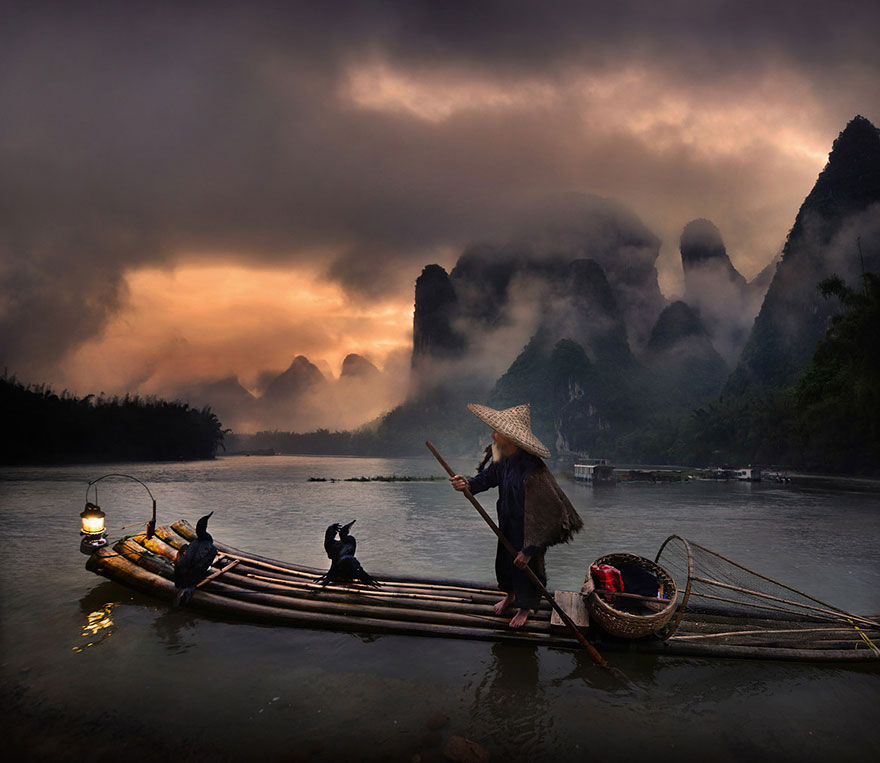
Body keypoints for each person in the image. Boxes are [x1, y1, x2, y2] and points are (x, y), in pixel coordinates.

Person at [450, 403, 583, 628]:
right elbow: (488, 478)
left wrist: (529, 549)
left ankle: (525, 607)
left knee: (526, 567)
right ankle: (510, 596)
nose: (492, 435)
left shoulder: (533, 469)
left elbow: (550, 513)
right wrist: (467, 484)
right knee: (505, 562)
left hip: (530, 530)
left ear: (510, 438)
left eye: (497, 432)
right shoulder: (502, 458)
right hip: (507, 522)